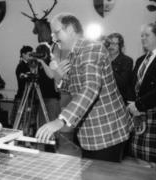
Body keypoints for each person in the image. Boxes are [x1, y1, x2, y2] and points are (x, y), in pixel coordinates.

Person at [36, 13, 133, 162]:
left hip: (106, 132)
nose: (54, 38)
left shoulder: (92, 48)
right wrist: (59, 78)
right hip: (91, 133)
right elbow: (73, 86)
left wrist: (60, 121)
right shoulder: (75, 54)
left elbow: (90, 88)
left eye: (56, 32)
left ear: (69, 29)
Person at [127, 23, 156, 165]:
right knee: (137, 159)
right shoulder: (141, 59)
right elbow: (132, 83)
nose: (142, 38)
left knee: (153, 163)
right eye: (141, 35)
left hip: (155, 113)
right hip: (137, 115)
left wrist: (139, 105)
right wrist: (131, 104)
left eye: (147, 35)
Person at [10, 45, 34, 127]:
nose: (31, 56)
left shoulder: (29, 65)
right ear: (23, 54)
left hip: (28, 95)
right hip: (23, 96)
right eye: (29, 54)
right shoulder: (21, 66)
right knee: (21, 119)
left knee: (27, 119)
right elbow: (23, 78)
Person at [107, 33, 134, 104]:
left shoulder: (127, 61)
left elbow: (122, 83)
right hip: (106, 99)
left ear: (120, 46)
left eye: (114, 44)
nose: (111, 46)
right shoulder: (102, 59)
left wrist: (108, 64)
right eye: (109, 43)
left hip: (120, 101)